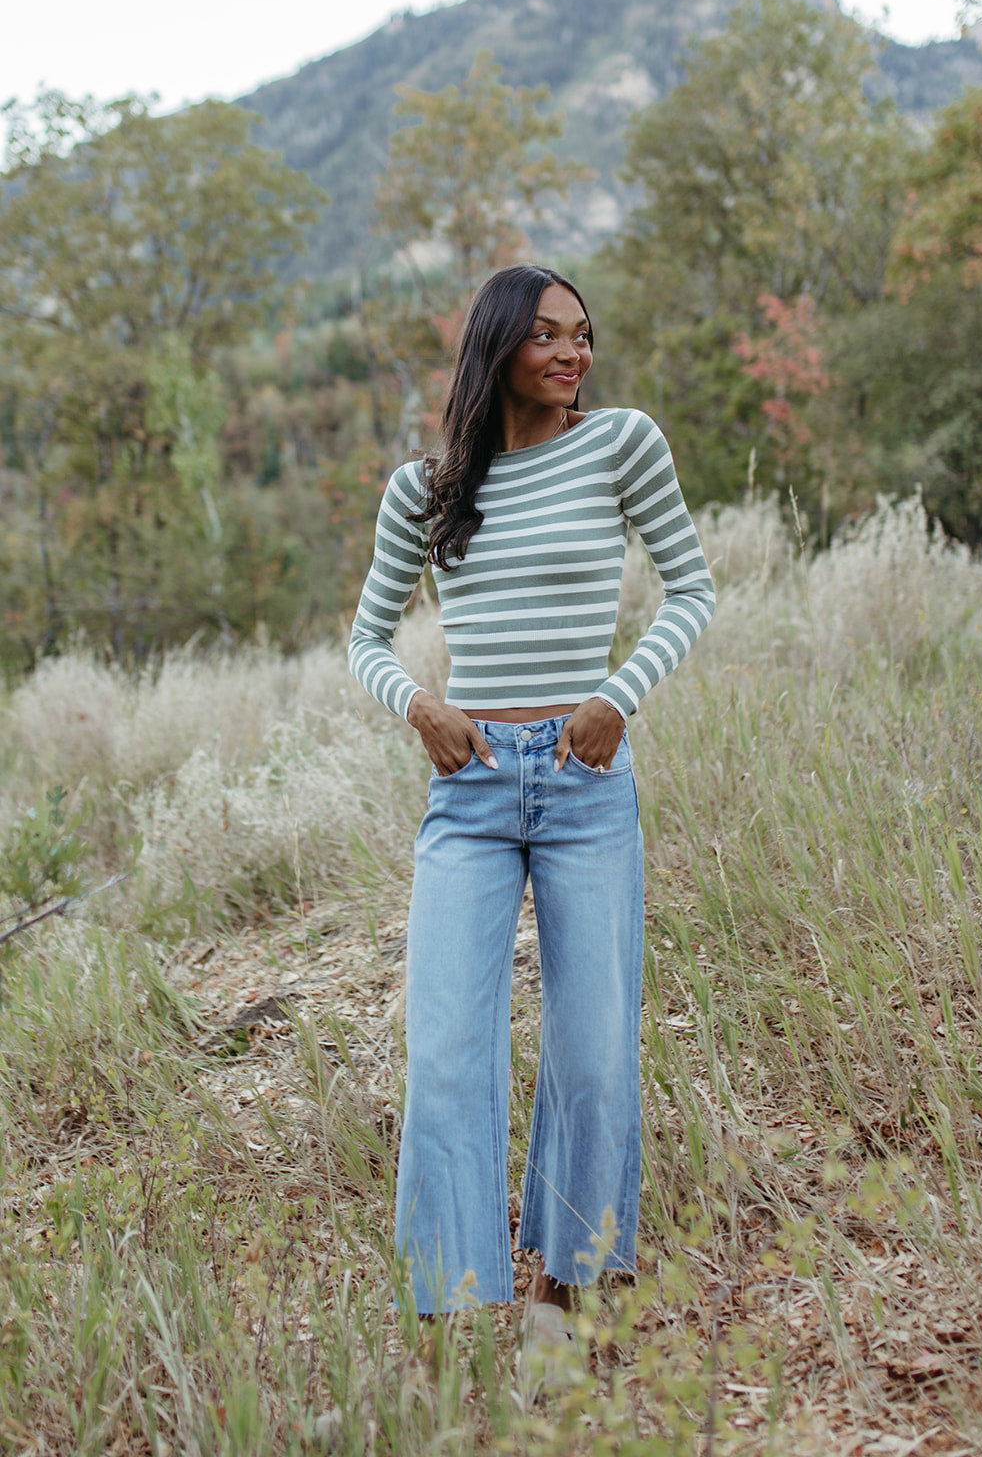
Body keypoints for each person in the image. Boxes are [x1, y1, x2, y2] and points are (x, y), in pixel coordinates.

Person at [347, 263, 715, 1349]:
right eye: (547, 334)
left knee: (592, 1054)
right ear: (497, 343)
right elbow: (365, 638)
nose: (572, 352)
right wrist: (419, 705)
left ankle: (565, 1288)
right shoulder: (424, 489)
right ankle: (455, 1307)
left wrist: (616, 695)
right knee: (445, 1054)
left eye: (582, 334)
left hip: (583, 776)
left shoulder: (621, 444)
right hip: (467, 789)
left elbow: (692, 588)